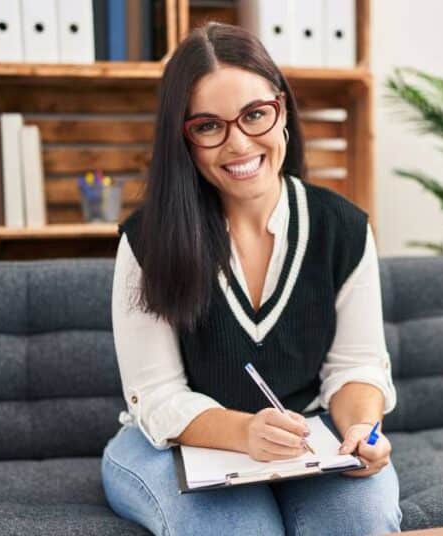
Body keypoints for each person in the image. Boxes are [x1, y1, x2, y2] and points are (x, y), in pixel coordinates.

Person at [100, 22, 401, 536]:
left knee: (360, 523)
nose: (239, 144)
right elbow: (157, 395)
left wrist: (359, 429)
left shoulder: (343, 229)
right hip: (178, 446)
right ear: (185, 140)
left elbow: (355, 367)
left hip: (304, 439)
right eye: (209, 126)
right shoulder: (147, 241)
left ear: (281, 111)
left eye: (255, 115)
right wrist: (244, 432)